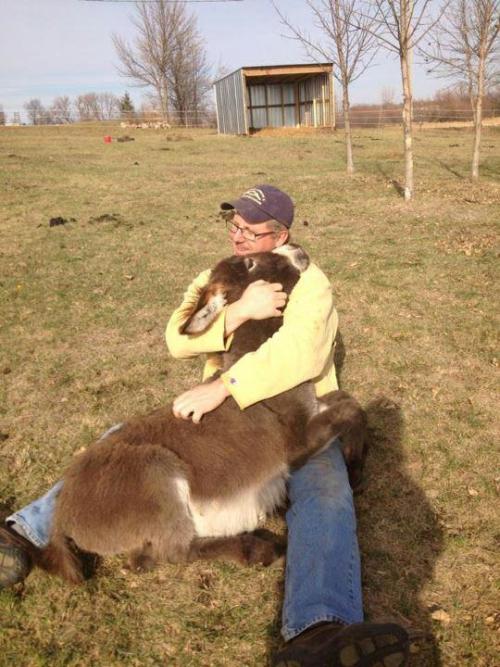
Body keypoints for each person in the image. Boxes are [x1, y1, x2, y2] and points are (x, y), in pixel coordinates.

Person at [0, 185, 409, 667]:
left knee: (327, 493)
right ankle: (24, 532)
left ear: (281, 234)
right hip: (223, 409)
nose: (238, 237)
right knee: (121, 438)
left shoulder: (306, 279)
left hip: (292, 402)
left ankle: (319, 626)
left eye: (250, 230)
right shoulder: (224, 273)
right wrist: (238, 311)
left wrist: (225, 385)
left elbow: (304, 353)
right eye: (233, 225)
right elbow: (179, 336)